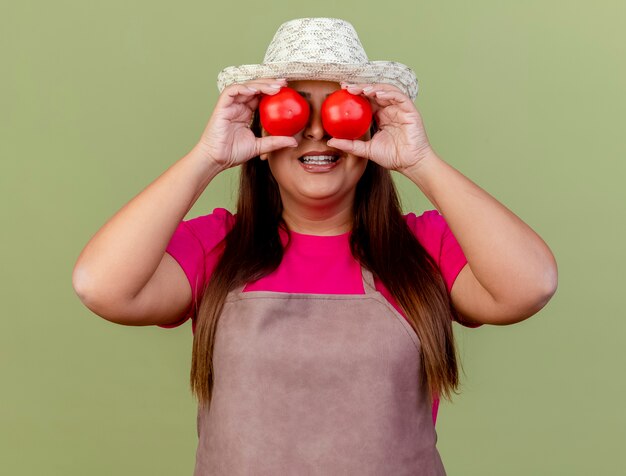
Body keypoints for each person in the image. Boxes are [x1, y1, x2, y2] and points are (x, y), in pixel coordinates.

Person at [73, 17, 558, 475]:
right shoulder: (217, 246)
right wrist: (208, 156)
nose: (317, 131)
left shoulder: (423, 247)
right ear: (261, 134)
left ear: (370, 128)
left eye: (340, 112)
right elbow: (101, 286)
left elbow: (530, 286)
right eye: (295, 110)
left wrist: (420, 161)